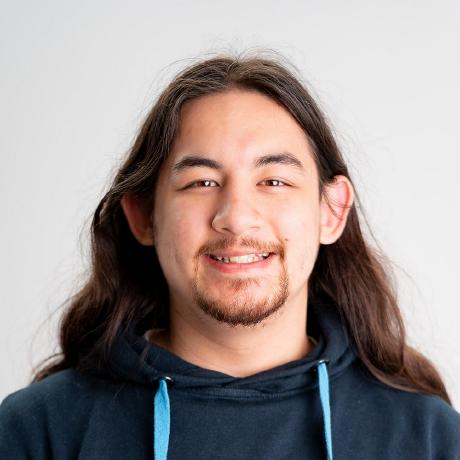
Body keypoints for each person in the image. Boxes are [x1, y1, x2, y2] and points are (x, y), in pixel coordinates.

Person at [1, 51, 459, 460]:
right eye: (201, 182)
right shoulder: (36, 432)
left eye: (274, 181)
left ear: (331, 211)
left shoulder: (429, 438)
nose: (237, 218)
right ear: (144, 216)